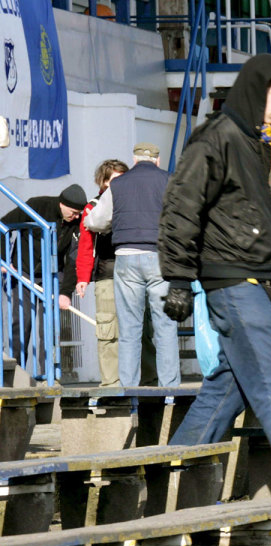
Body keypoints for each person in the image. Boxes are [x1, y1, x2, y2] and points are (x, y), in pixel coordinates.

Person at [158, 54, 271, 492]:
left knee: (227, 389)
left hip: (258, 280)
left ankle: (168, 483)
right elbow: (181, 208)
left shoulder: (261, 144)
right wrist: (179, 278)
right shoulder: (215, 139)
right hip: (234, 282)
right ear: (255, 90)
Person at [86, 142, 179, 387]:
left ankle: (128, 387)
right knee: (165, 326)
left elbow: (94, 221)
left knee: (129, 327)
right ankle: (170, 388)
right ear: (158, 161)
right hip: (160, 256)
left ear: (134, 160)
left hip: (125, 258)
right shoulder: (169, 180)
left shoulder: (117, 185)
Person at [1, 184, 87, 361]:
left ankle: (48, 378)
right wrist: (4, 260)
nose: (76, 217)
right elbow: (3, 226)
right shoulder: (36, 205)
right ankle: (16, 371)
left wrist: (65, 293)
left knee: (50, 327)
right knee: (22, 323)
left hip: (53, 276)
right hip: (23, 274)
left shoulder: (77, 222)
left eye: (79, 213)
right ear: (62, 204)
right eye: (73, 212)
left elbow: (73, 259)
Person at [77, 159, 132, 387]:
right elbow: (85, 246)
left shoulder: (134, 200)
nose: (119, 185)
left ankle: (147, 380)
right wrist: (82, 278)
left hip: (133, 271)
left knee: (141, 328)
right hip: (107, 272)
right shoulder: (92, 206)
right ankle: (110, 382)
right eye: (114, 180)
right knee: (108, 329)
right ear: (103, 181)